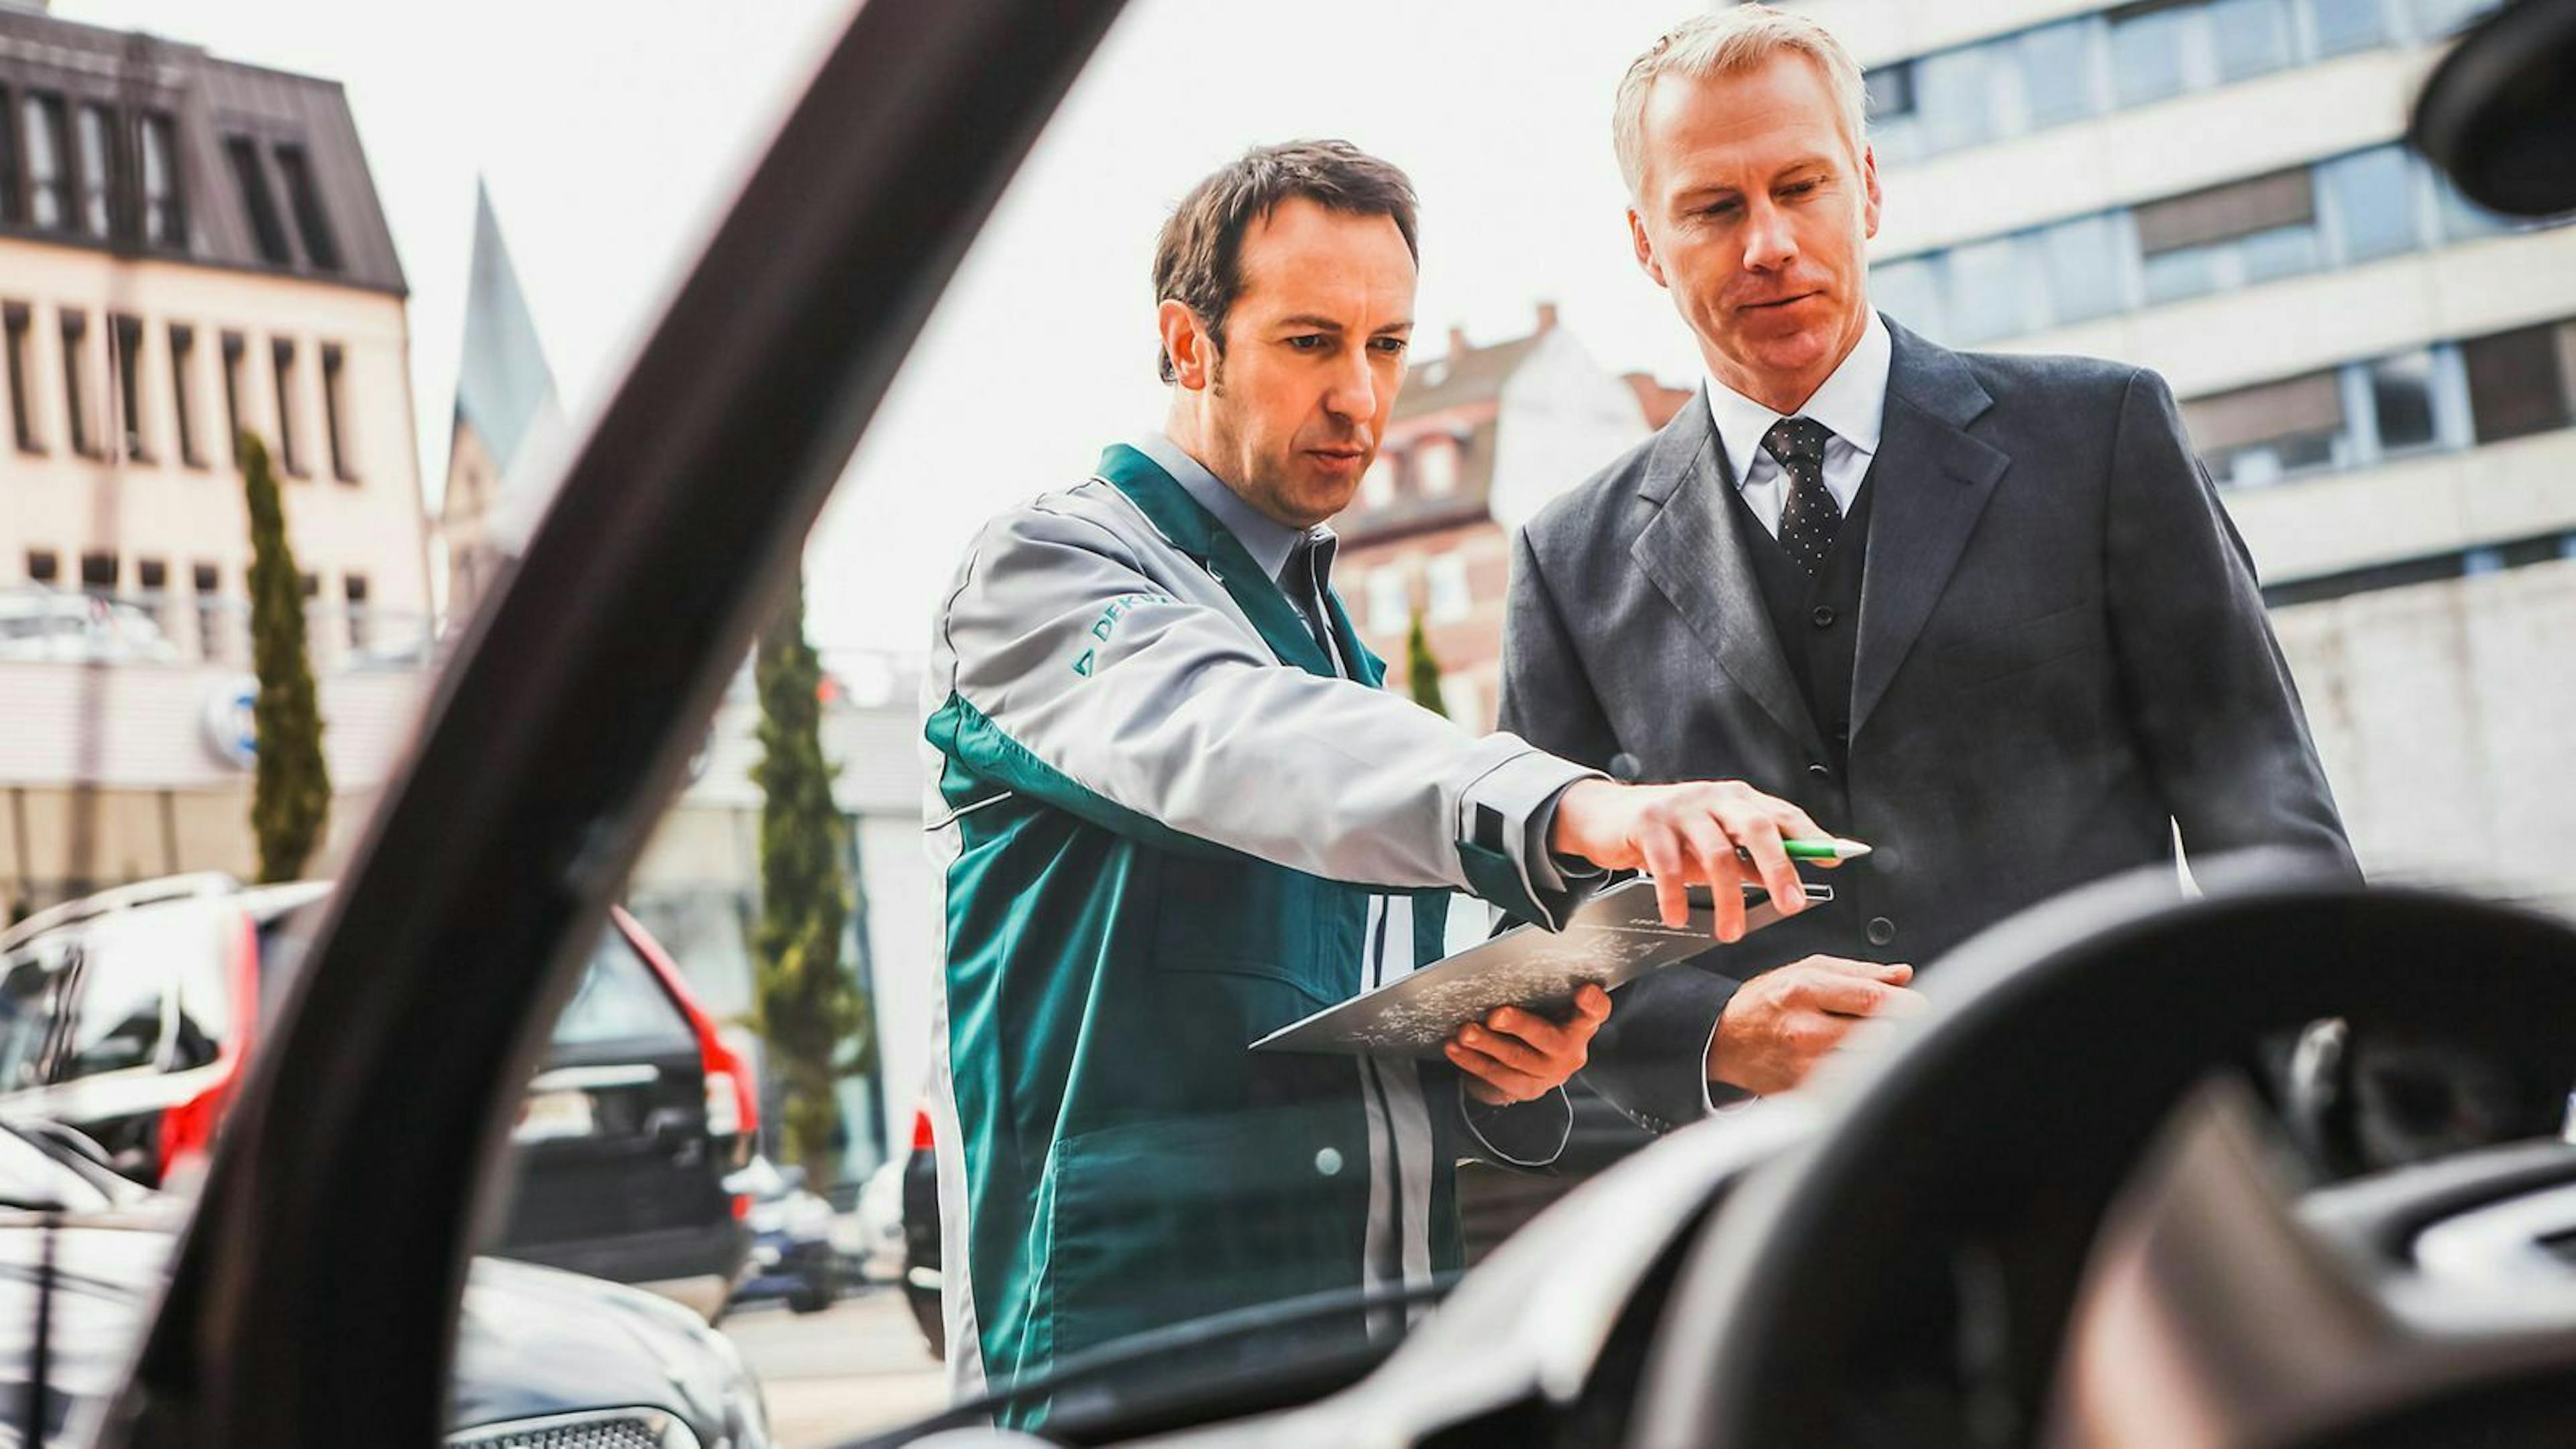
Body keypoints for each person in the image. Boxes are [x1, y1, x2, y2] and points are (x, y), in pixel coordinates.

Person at [923, 139, 1832, 1415]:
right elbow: (1238, 741)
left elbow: (1339, 993)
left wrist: (1500, 1053)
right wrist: (1585, 806)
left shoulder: (1336, 660)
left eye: (1388, 346)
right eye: (1309, 343)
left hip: (1359, 1343)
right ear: (1188, 346)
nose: (1362, 396)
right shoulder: (1043, 574)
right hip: (1119, 1351)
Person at [1500, 7, 2359, 1133]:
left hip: (2128, 1145)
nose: (1768, 244)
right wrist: (1717, 1036)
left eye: (1800, 186)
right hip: (1794, 1216)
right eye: (1713, 207)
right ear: (1645, 244)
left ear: (1867, 186)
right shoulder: (1567, 562)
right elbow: (1549, 950)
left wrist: (2334, 1113)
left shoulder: (2102, 438)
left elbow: (2270, 828)